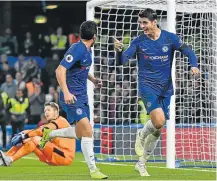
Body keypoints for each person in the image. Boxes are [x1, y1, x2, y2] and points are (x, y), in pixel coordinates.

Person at [114, 8, 200, 176]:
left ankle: (142, 163)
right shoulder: (139, 41)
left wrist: (194, 64)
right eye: (140, 23)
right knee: (159, 121)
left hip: (165, 88)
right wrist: (118, 52)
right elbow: (123, 61)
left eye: (144, 23)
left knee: (157, 128)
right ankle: (141, 133)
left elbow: (188, 51)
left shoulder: (170, 38)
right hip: (147, 87)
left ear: (154, 22)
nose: (142, 26)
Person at [39, 21, 107, 179]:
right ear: (95, 36)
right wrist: (66, 92)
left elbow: (81, 69)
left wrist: (93, 80)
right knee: (88, 131)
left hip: (82, 96)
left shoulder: (88, 50)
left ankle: (49, 134)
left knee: (81, 133)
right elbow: (60, 70)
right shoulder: (77, 48)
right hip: (72, 97)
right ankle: (93, 170)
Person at [0, 102, 75, 166]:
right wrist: (23, 133)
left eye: (49, 110)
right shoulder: (52, 124)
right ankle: (5, 158)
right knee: (27, 140)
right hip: (54, 156)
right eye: (45, 111)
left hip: (64, 156)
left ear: (56, 111)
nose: (46, 112)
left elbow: (41, 130)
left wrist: (24, 135)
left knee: (35, 139)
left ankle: (10, 160)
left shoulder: (61, 120)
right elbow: (36, 131)